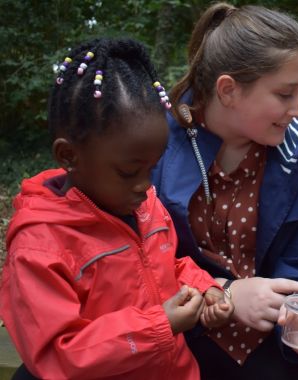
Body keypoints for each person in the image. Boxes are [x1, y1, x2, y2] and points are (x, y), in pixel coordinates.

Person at [152, 3, 298, 379]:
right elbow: (130, 261)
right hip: (183, 329)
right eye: (285, 94)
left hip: (272, 336)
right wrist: (224, 291)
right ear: (228, 90)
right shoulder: (153, 145)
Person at [0, 37, 234, 380]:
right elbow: (57, 353)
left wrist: (205, 288)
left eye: (152, 168)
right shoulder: (40, 249)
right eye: (128, 172)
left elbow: (167, 267)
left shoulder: (145, 207)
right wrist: (159, 325)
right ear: (68, 156)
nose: (146, 185)